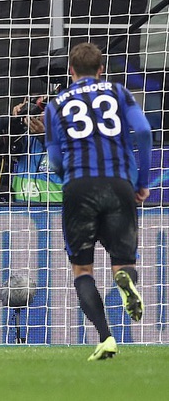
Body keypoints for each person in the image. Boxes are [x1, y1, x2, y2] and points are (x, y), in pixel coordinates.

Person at [44, 42, 151, 361]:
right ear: (101, 69)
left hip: (79, 185)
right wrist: (141, 182)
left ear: (71, 71)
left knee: (82, 269)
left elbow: (53, 159)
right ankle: (125, 281)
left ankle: (106, 338)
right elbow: (144, 131)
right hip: (119, 183)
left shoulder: (54, 105)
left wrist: (67, 172)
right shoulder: (118, 92)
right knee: (123, 261)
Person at [0, 95, 64, 203]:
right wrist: (15, 119)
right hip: (21, 210)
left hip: (55, 211)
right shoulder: (25, 137)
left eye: (43, 110)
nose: (37, 115)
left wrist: (44, 137)